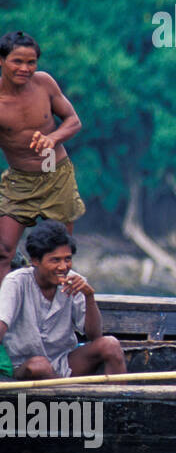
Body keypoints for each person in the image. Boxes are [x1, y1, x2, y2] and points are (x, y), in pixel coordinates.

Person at [0, 31, 87, 280]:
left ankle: (56, 305)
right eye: (17, 61)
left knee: (59, 249)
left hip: (55, 174)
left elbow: (73, 121)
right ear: (1, 61)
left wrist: (52, 139)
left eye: (31, 62)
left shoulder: (44, 83)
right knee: (4, 250)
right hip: (20, 181)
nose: (25, 68)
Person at [0, 220, 124, 381]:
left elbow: (95, 335)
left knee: (111, 345)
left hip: (64, 362)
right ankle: (71, 399)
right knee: (40, 366)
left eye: (67, 259)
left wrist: (89, 297)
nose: (63, 267)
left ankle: (119, 400)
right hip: (24, 366)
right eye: (55, 260)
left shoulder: (75, 281)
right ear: (35, 261)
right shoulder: (16, 282)